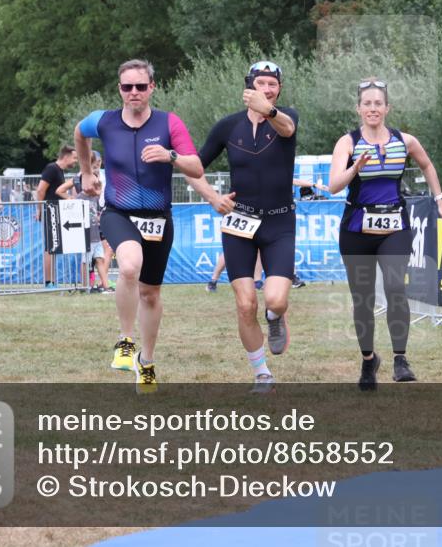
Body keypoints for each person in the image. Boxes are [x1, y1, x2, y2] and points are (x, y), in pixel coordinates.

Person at [75, 59, 203, 392]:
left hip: (158, 219)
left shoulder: (169, 123)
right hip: (118, 212)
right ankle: (125, 340)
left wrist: (170, 156)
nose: (134, 92)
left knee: (150, 294)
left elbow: (196, 168)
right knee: (129, 266)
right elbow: (79, 133)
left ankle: (146, 362)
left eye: (141, 86)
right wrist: (86, 172)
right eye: (127, 86)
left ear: (152, 88)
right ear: (119, 89)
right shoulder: (103, 121)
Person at [329, 78, 442, 390]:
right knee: (363, 298)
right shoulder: (348, 142)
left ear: (387, 108)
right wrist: (355, 167)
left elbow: (427, 166)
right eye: (367, 104)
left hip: (395, 226)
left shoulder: (404, 141)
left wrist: (439, 200)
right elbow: (333, 185)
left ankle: (401, 359)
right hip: (356, 229)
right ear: (358, 109)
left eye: (378, 103)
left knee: (396, 287)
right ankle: (368, 360)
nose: (372, 108)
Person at [187, 61, 298, 393]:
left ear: (279, 89)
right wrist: (212, 197)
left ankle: (276, 317)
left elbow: (287, 129)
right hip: (239, 223)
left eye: (273, 84)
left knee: (275, 300)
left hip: (279, 221)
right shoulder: (227, 126)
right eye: (261, 83)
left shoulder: (285, 117)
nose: (267, 89)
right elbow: (194, 167)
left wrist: (269, 110)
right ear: (249, 86)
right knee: (245, 303)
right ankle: (261, 372)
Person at [60, 151, 112, 293]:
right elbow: (60, 190)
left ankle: (105, 285)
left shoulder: (96, 195)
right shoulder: (80, 194)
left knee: (100, 258)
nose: (97, 186)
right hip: (86, 232)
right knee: (86, 259)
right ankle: (85, 285)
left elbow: (101, 196)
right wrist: (71, 200)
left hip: (96, 230)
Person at [35, 144, 78, 288]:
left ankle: (52, 281)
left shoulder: (59, 170)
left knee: (53, 247)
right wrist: (39, 209)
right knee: (50, 248)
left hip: (56, 211)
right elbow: (40, 190)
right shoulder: (52, 168)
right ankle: (48, 282)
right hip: (49, 210)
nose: (76, 161)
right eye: (74, 158)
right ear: (66, 156)